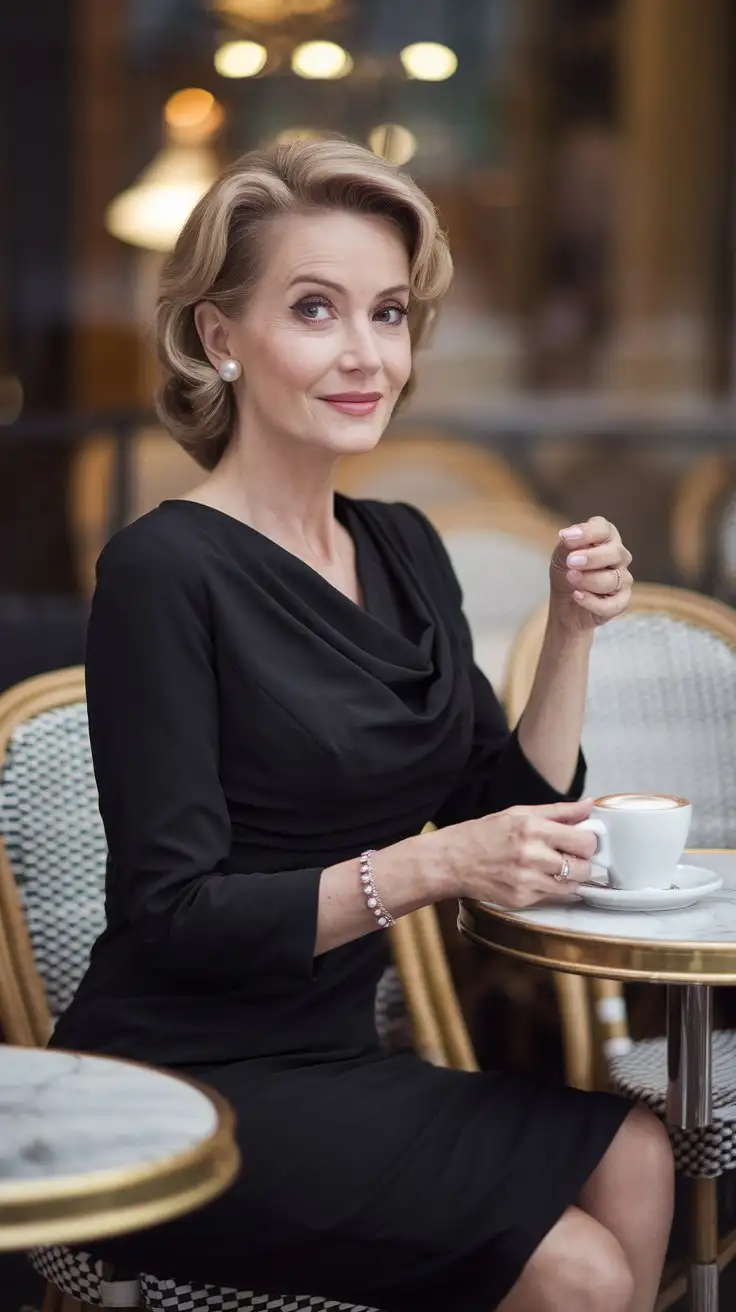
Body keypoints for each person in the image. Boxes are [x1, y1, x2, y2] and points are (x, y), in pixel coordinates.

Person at [52, 139, 673, 1312]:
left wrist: (571, 633)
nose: (364, 354)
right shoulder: (162, 570)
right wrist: (430, 863)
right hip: (175, 1078)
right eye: (313, 309)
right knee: (583, 1271)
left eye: (387, 314)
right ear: (218, 337)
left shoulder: (401, 545)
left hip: (332, 1059)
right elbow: (175, 915)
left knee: (640, 1157)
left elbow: (503, 820)